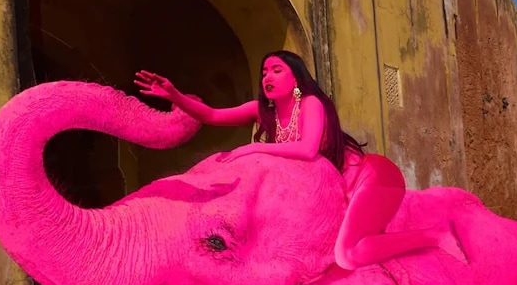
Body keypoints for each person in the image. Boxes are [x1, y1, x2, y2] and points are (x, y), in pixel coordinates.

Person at [134, 51, 467, 270]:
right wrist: (175, 96)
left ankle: (435, 235)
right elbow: (212, 115)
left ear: (295, 79)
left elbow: (308, 150)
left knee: (348, 255)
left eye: (277, 70)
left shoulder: (311, 104)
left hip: (371, 181)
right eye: (265, 71)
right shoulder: (261, 111)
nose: (268, 76)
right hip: (329, 193)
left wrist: (254, 149)